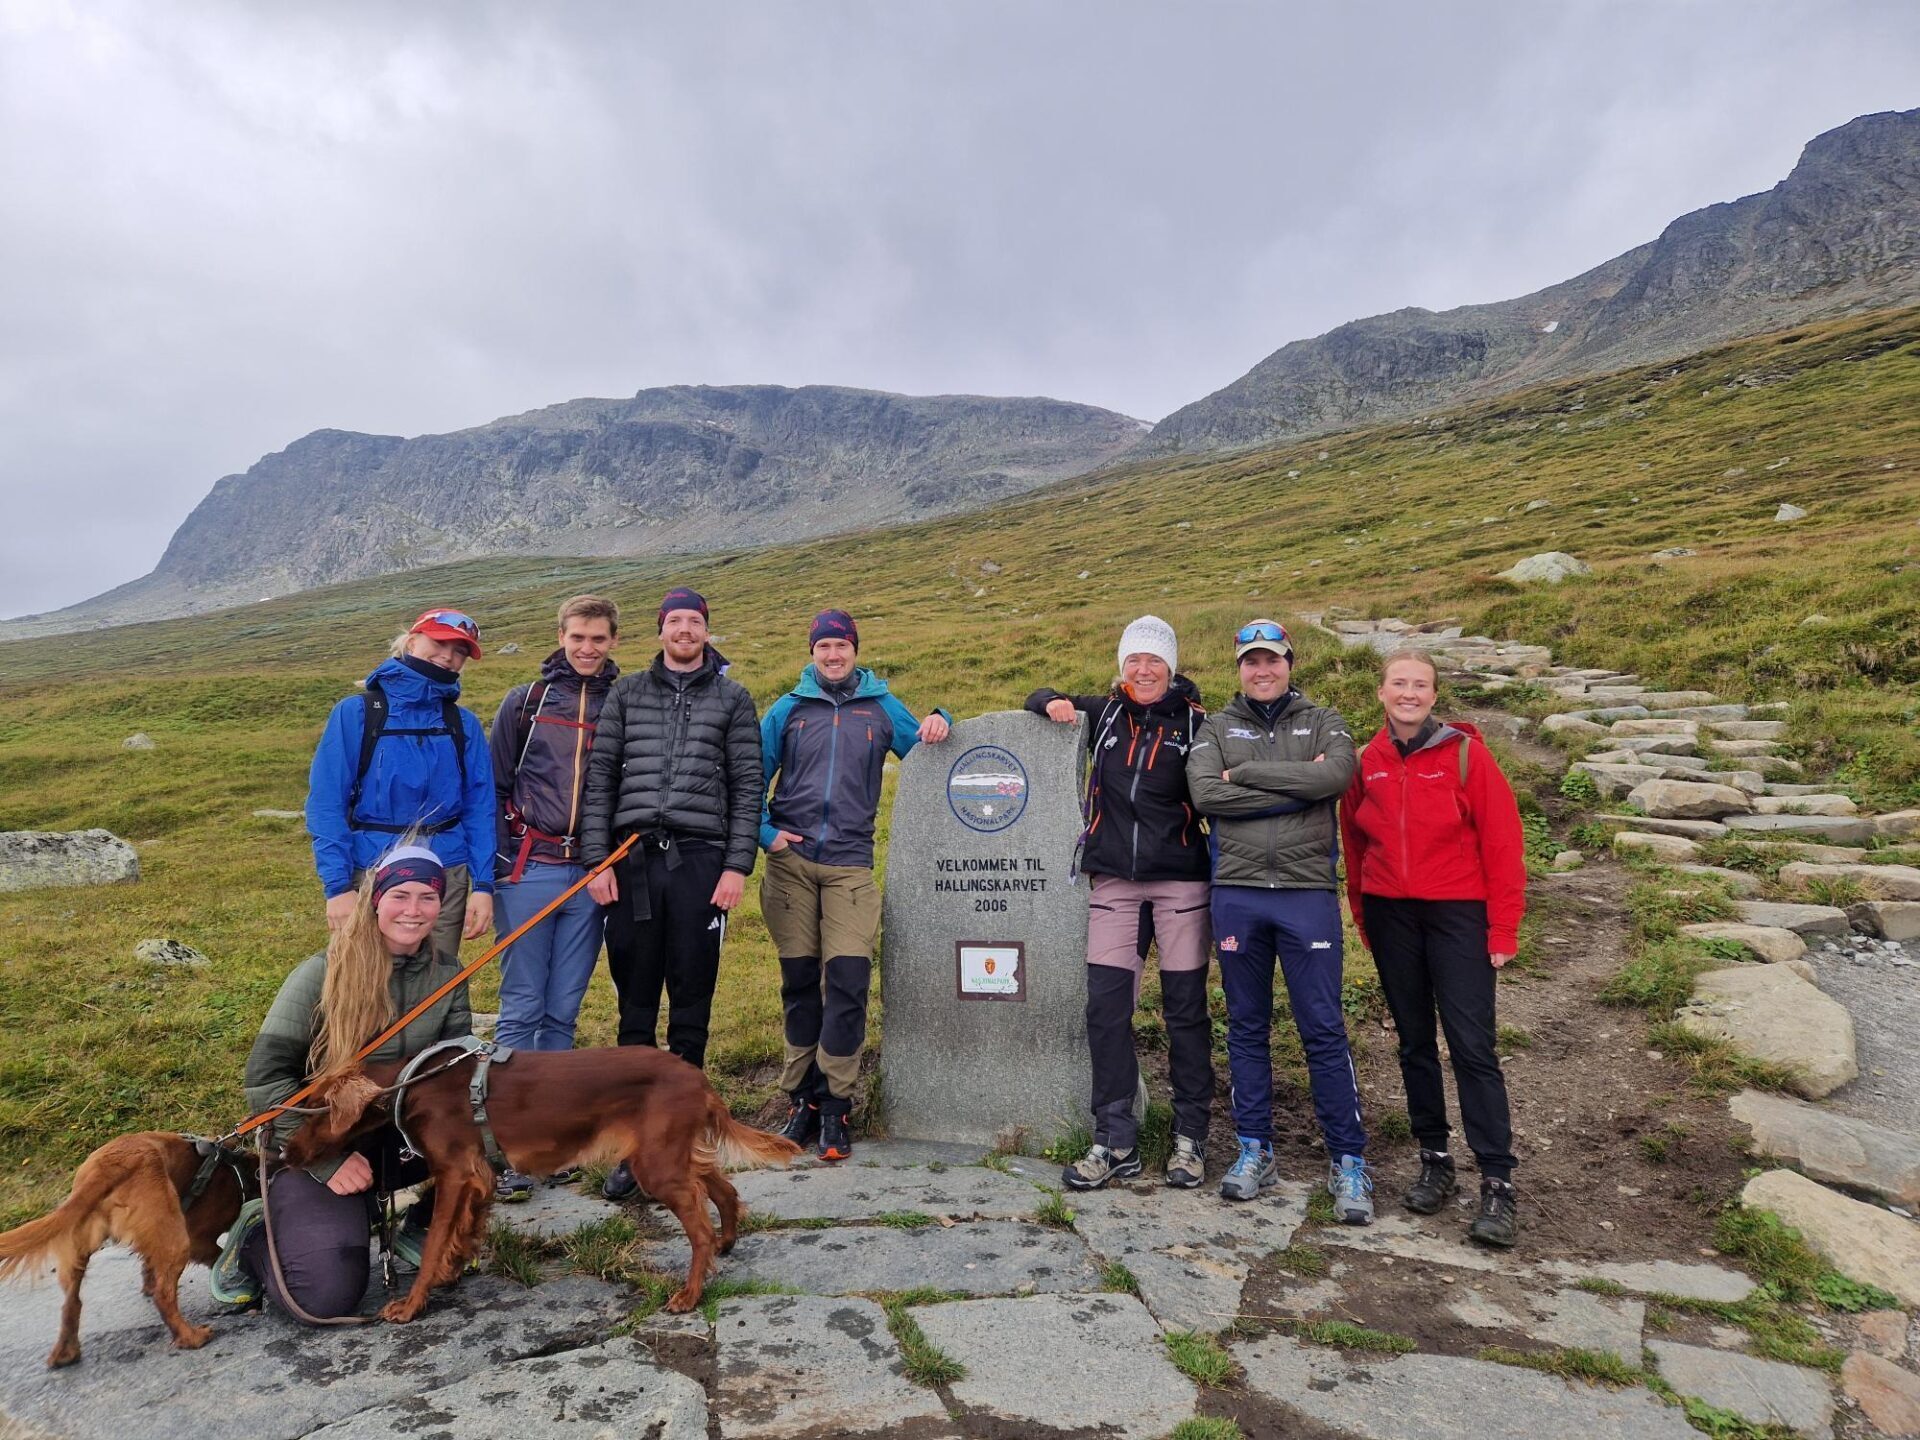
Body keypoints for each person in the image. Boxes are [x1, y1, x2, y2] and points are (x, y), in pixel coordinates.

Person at [210, 846, 471, 1319]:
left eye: (428, 898)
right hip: (317, 1143)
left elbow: (454, 1066)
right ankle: (253, 1238)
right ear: (375, 901)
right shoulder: (320, 974)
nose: (414, 911)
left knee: (501, 1128)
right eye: (400, 895)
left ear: (441, 904)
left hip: (400, 1136)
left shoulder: (448, 974)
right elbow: (265, 1079)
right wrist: (327, 1160)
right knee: (326, 1296)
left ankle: (420, 1221)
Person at [1340, 649, 1527, 1247]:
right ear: (1381, 692)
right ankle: (1434, 1159)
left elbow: (1503, 841)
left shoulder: (1467, 754)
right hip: (1393, 914)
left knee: (1473, 1046)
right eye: (1400, 683)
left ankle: (1497, 1182)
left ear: (1433, 694)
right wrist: (1365, 916)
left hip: (1458, 914)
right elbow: (1354, 846)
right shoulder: (1364, 761)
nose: (1409, 693)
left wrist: (1503, 929)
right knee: (1415, 1042)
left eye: (1420, 685)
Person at [1185, 619, 1372, 1220]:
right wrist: (1301, 790)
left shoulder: (1324, 720)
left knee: (1322, 1027)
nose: (1262, 671)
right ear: (1238, 668)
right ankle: (1254, 1149)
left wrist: (1247, 775)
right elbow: (1207, 797)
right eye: (1250, 662)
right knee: (1245, 1025)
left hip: (1305, 892)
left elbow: (1336, 777)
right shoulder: (1215, 725)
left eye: (1272, 660)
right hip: (1237, 892)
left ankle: (1349, 1162)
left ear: (1290, 662)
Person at [581, 587, 762, 1200]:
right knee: (633, 994)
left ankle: (684, 1130)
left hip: (701, 862)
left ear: (707, 631)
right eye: (674, 621)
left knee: (692, 990)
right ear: (660, 631)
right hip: (630, 860)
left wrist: (737, 866)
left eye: (695, 621)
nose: (685, 630)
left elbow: (747, 785)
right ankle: (637, 1142)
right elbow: (601, 776)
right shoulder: (627, 693)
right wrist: (594, 861)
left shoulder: (733, 698)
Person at [1027, 615, 1216, 1191]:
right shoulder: (1103, 712)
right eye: (1134, 660)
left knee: (1185, 1010)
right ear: (1121, 666)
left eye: (1154, 660)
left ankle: (1190, 1138)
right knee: (1105, 1011)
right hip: (1113, 882)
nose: (1143, 669)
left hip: (1181, 882)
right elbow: (1037, 696)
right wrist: (1053, 703)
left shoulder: (1198, 723)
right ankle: (1114, 1140)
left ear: (1172, 666)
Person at [760, 609, 950, 1161]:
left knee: (846, 982)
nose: (833, 655)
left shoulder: (881, 707)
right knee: (799, 983)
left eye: (842, 646)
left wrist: (941, 717)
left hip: (849, 865)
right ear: (812, 652)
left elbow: (927, 754)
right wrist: (764, 833)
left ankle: (836, 1105)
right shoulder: (788, 709)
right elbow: (746, 776)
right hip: (789, 864)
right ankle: (802, 1101)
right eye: (824, 647)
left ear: (855, 651)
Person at [486, 594, 622, 1201]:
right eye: (578, 638)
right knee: (520, 1007)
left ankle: (553, 1142)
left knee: (563, 1010)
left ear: (614, 640)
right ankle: (509, 1142)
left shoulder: (625, 701)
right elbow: (493, 785)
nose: (587, 649)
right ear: (560, 636)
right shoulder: (527, 702)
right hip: (529, 868)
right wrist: (497, 867)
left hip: (591, 875)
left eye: (598, 638)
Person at [305, 609, 496, 958]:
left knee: (434, 981)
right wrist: (337, 888)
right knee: (362, 981)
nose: (448, 656)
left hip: (445, 872)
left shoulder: (463, 724)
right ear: (411, 641)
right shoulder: (358, 712)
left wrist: (483, 885)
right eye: (439, 643)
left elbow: (480, 808)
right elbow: (326, 802)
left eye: (460, 651)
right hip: (371, 870)